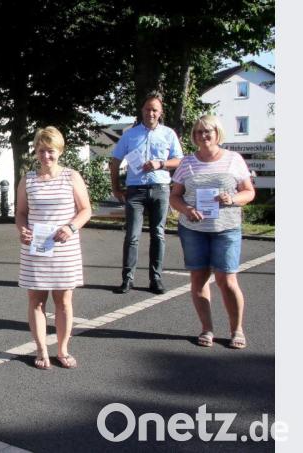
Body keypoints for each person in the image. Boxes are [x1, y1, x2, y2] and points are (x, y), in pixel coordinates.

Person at [169, 115, 255, 349]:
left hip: (226, 229)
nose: (203, 136)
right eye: (198, 132)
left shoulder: (233, 159)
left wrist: (233, 198)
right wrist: (186, 209)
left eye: (208, 131)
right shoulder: (187, 162)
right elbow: (174, 196)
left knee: (226, 280)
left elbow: (249, 192)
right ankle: (207, 329)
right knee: (198, 280)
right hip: (194, 230)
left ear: (218, 134)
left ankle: (236, 329)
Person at [15, 127, 92, 369]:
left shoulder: (71, 176)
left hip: (64, 249)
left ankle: (62, 349)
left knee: (64, 301)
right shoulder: (27, 180)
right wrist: (22, 229)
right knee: (36, 302)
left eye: (51, 151)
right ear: (36, 151)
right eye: (41, 151)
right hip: (35, 249)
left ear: (59, 151)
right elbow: (21, 212)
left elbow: (85, 210)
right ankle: (40, 350)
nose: (46, 156)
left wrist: (71, 227)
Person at [109, 93, 184, 295]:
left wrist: (161, 164)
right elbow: (115, 161)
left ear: (160, 113)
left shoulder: (168, 134)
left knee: (158, 234)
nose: (150, 113)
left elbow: (179, 160)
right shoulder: (130, 135)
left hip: (160, 188)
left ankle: (155, 279)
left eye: (154, 110)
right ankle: (127, 279)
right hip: (136, 190)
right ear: (142, 111)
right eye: (147, 109)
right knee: (132, 236)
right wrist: (116, 188)